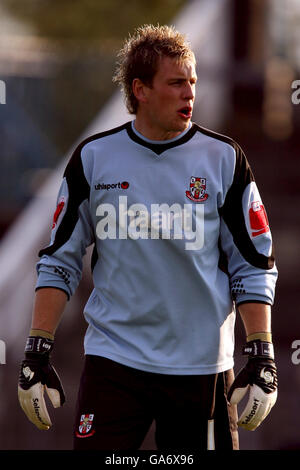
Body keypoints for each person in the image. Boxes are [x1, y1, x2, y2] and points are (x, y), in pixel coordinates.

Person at [18, 24, 278, 451]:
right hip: (114, 363)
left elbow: (253, 263)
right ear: (140, 89)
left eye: (192, 83)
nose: (189, 94)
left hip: (202, 368)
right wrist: (36, 351)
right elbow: (59, 261)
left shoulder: (225, 159)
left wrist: (262, 354)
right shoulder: (93, 158)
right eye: (176, 83)